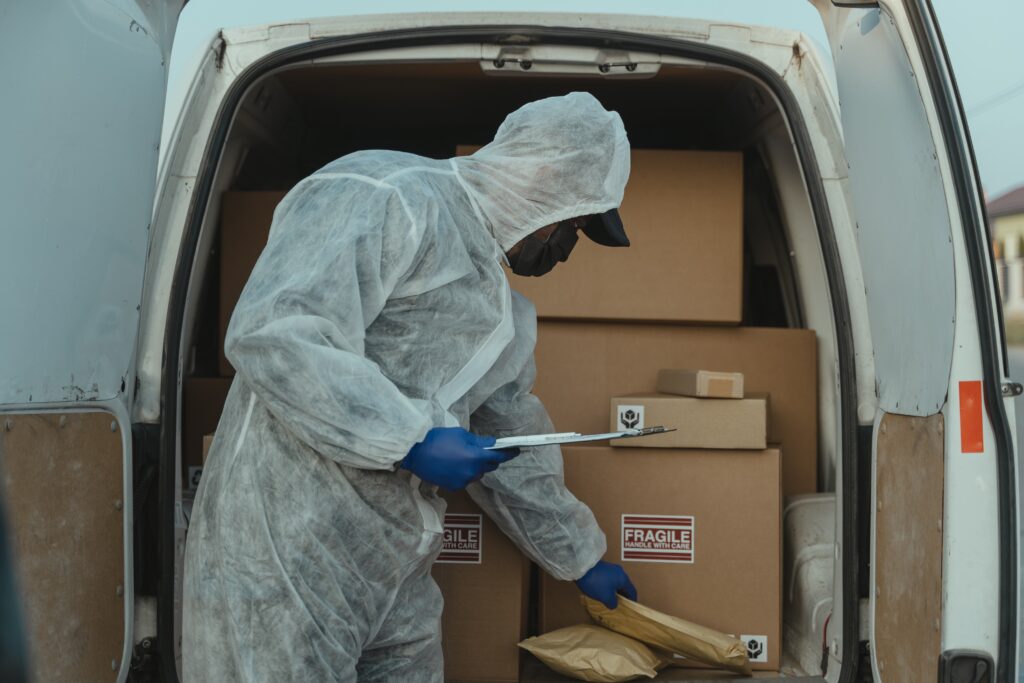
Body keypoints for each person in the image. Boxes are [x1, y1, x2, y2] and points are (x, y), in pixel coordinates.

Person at [183, 91, 636, 682]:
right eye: (573, 222)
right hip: (285, 551)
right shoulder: (385, 194)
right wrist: (409, 437)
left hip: (392, 566)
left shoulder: (500, 313)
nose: (567, 247)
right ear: (545, 175)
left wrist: (579, 557)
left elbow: (511, 440)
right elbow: (278, 333)